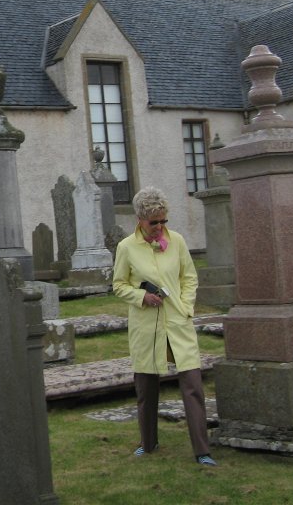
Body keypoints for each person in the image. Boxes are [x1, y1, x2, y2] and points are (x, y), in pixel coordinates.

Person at [112, 186, 217, 466]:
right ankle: (148, 443)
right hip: (147, 327)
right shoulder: (126, 248)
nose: (159, 227)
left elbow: (189, 277)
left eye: (163, 221)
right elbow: (119, 285)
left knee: (192, 385)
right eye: (153, 222)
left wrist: (186, 306)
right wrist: (141, 297)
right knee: (146, 388)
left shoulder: (178, 241)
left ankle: (202, 450)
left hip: (178, 322)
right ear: (140, 220)